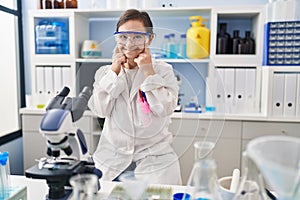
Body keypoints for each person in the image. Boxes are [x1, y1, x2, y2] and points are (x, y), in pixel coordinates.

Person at [88, 9, 182, 185]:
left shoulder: (163, 70)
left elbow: (165, 109)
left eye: (137, 37)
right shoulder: (104, 73)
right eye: (123, 37)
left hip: (155, 160)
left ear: (150, 38)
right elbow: (100, 110)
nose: (129, 43)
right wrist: (114, 74)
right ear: (116, 38)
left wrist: (148, 72)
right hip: (112, 159)